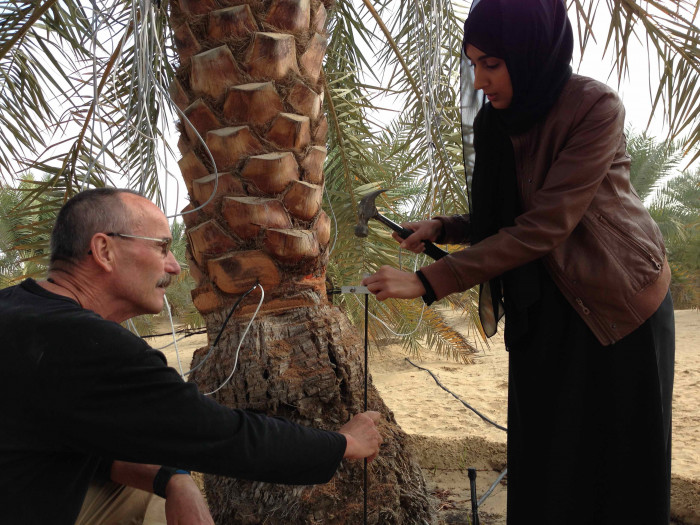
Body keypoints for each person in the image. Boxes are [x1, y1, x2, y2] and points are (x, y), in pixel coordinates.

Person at [362, 0, 674, 523]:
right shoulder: (498, 121)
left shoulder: (594, 107)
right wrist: (444, 228)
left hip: (617, 307)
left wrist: (431, 281)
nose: (481, 80)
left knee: (621, 472)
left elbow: (550, 222)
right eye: (474, 63)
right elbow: (509, 209)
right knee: (547, 463)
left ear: (531, 52)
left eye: (492, 63)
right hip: (544, 308)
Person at [0, 187, 382, 525]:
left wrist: (174, 479)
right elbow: (222, 436)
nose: (175, 266)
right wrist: (342, 443)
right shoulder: (86, 344)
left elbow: (75, 432)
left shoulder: (19, 309)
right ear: (104, 250)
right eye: (162, 247)